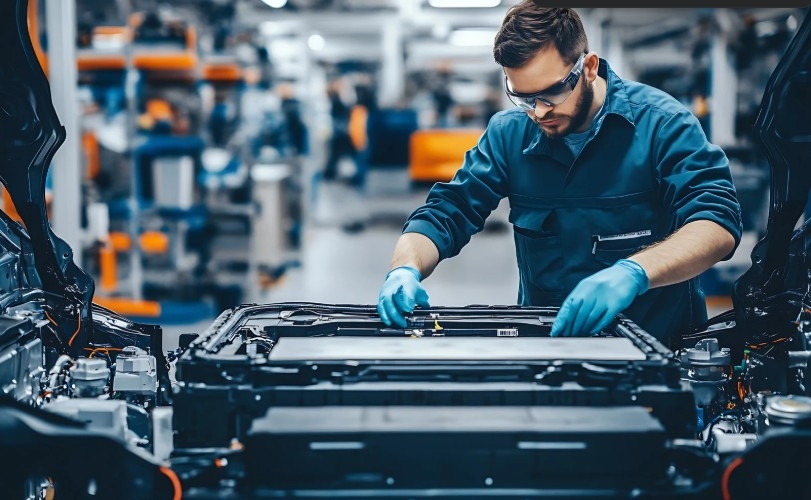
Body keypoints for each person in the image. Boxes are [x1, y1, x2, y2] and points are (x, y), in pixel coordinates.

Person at [376, 3, 742, 348]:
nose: (538, 112)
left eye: (552, 92)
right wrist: (404, 268)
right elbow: (447, 212)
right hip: (551, 352)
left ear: (589, 67)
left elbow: (718, 223)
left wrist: (635, 272)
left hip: (657, 352)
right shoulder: (509, 134)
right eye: (522, 97)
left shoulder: (662, 124)